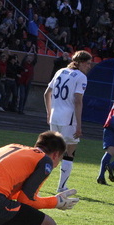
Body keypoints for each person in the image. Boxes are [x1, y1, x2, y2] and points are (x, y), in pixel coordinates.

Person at [44, 50, 93, 192]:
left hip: (55, 117)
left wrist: (49, 112)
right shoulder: (81, 77)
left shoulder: (60, 71)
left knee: (50, 151)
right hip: (68, 119)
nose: (89, 66)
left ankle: (35, 181)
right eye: (88, 63)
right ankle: (61, 187)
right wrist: (79, 125)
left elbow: (47, 92)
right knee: (69, 152)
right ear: (81, 63)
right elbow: (78, 101)